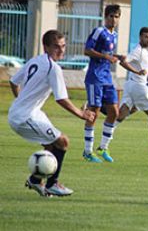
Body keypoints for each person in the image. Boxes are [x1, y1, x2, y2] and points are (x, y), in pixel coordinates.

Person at [8, 30, 96, 197]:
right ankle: (52, 184)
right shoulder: (53, 68)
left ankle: (35, 180)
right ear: (46, 47)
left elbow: (13, 81)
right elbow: (61, 99)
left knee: (50, 146)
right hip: (24, 117)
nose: (61, 50)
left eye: (63, 46)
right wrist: (81, 114)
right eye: (56, 46)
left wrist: (21, 101)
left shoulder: (36, 60)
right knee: (63, 141)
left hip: (28, 113)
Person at [83, 4, 142, 163]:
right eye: (111, 16)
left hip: (107, 77)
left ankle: (103, 147)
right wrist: (106, 57)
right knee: (94, 113)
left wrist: (117, 56)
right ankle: (88, 151)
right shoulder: (99, 31)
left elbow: (107, 54)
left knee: (114, 112)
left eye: (117, 16)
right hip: (95, 76)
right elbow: (87, 50)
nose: (114, 19)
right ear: (106, 16)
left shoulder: (113, 35)